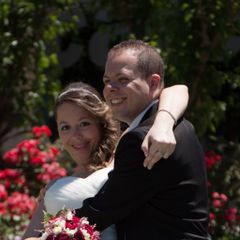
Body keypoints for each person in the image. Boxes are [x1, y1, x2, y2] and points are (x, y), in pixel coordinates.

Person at [75, 40, 209, 239]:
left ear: (153, 83)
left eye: (122, 79)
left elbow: (101, 212)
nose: (110, 87)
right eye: (106, 80)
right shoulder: (177, 122)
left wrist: (48, 232)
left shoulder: (143, 140)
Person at [23, 80, 189, 239]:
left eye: (84, 123)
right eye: (65, 127)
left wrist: (164, 122)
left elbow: (178, 90)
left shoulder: (124, 157)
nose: (76, 136)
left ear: (101, 123)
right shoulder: (54, 188)